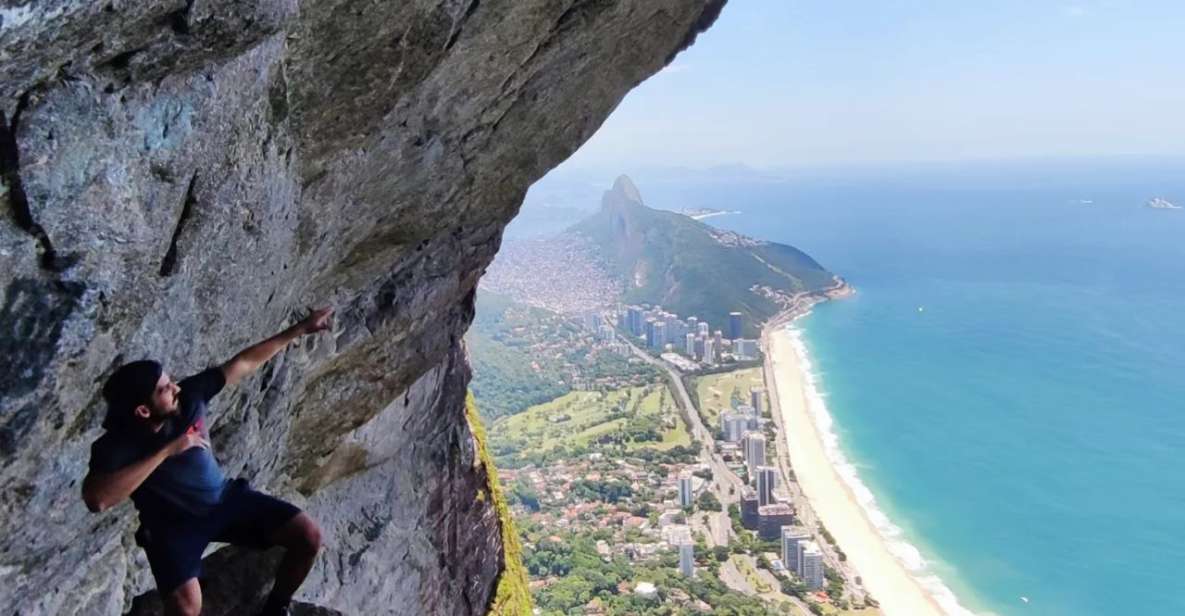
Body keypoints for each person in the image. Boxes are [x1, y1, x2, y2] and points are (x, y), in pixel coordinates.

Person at [82, 308, 334, 616]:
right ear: (143, 411)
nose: (175, 388)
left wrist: (301, 328)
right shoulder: (117, 446)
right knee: (186, 609)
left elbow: (242, 364)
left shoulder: (188, 397)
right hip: (172, 528)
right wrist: (164, 453)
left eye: (170, 381)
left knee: (309, 537)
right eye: (164, 389)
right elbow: (98, 499)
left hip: (225, 499)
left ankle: (276, 608)